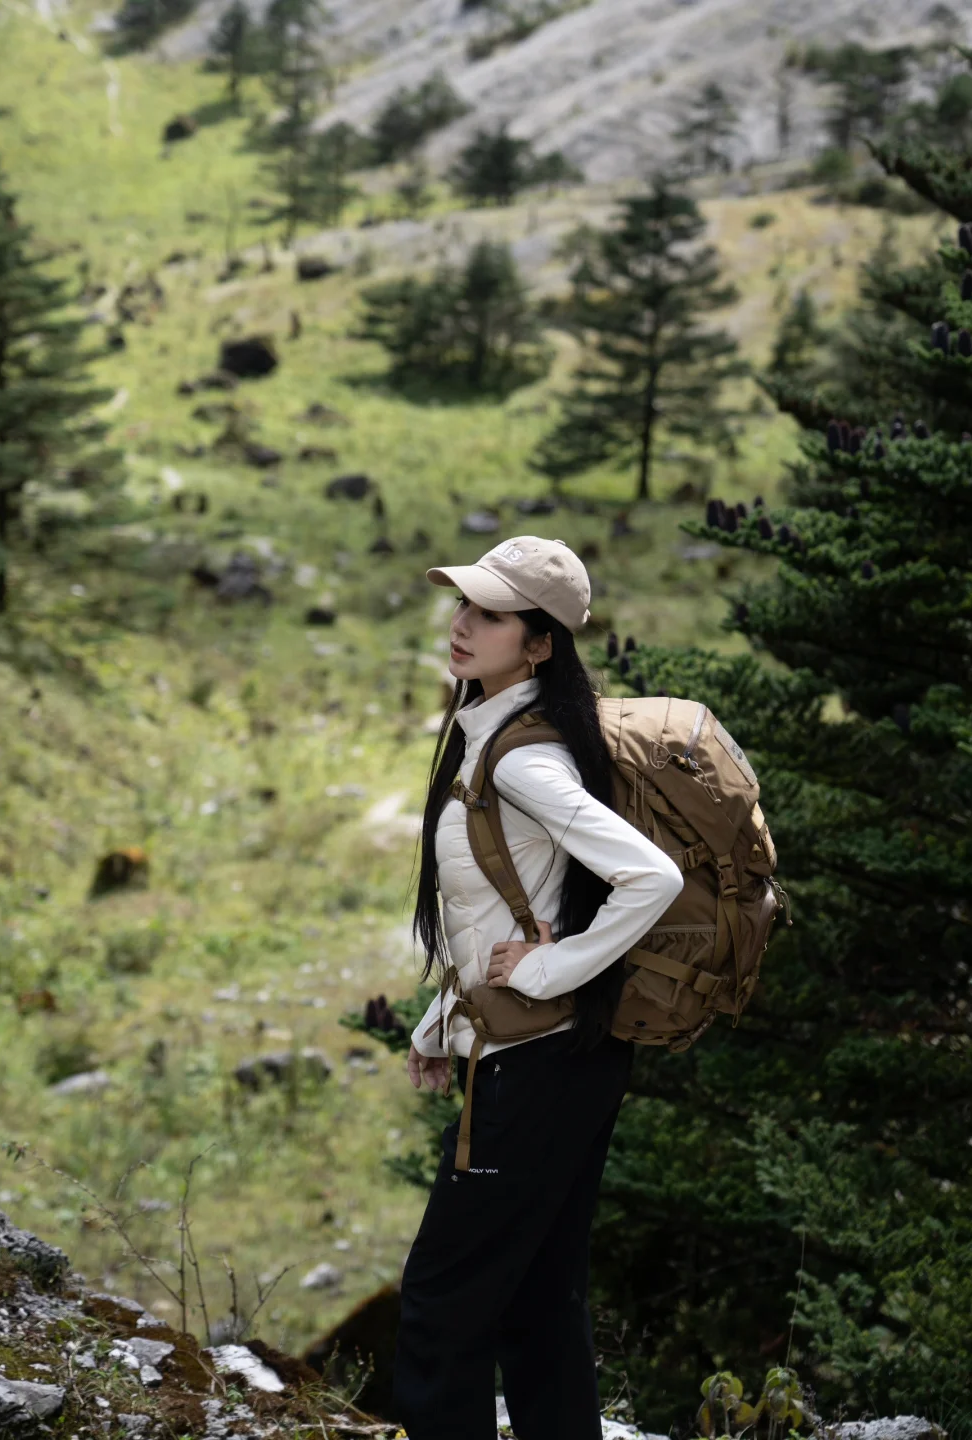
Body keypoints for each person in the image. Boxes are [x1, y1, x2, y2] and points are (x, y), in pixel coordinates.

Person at [392, 535, 684, 1439]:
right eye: (463, 604)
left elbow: (653, 877)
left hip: (538, 1067)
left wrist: (551, 970)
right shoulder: (496, 736)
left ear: (541, 643)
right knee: (538, 1304)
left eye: (489, 613)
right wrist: (442, 1028)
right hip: (561, 1059)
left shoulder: (522, 760)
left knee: (440, 1304)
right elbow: (509, 910)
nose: (462, 622)